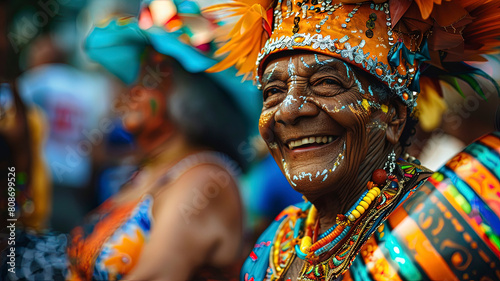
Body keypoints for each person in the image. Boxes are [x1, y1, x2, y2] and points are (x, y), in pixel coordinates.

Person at [204, 0, 500, 280]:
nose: (289, 110)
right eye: (274, 92)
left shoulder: (449, 216)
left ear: (393, 118)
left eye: (326, 83)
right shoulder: (276, 242)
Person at [2, 0, 260, 280]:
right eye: (136, 77)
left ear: (192, 100)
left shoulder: (206, 179)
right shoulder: (146, 173)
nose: (131, 90)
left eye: (150, 79)